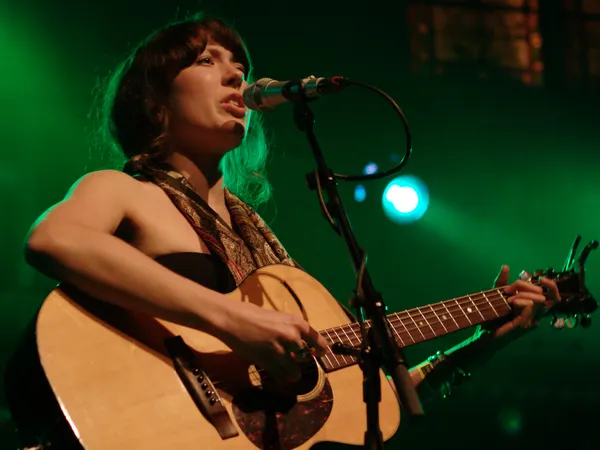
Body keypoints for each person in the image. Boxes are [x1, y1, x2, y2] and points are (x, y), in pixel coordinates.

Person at [9, 11, 559, 449]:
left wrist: (478, 346)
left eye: (240, 65)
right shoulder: (124, 190)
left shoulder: (264, 253)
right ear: (154, 100)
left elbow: (361, 405)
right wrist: (232, 320)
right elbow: (54, 240)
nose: (236, 75)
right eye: (206, 60)